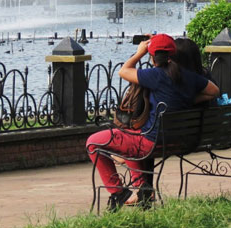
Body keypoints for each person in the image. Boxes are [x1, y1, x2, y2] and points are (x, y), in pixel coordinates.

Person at [86, 34, 219, 210]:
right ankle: (143, 189)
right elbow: (214, 91)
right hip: (178, 141)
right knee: (130, 136)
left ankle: (118, 192)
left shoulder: (156, 75)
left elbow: (123, 71)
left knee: (92, 143)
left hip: (151, 143)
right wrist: (186, 99)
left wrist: (139, 53)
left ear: (152, 56)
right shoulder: (189, 76)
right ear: (172, 54)